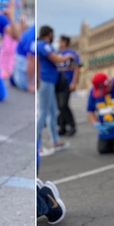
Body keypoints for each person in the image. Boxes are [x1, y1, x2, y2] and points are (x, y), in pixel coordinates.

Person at [36, 25, 72, 156]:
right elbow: (56, 59)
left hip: (49, 81)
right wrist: (67, 55)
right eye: (52, 34)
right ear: (49, 34)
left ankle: (55, 141)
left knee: (52, 111)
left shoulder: (43, 45)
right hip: (46, 81)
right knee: (43, 113)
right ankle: (37, 144)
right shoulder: (43, 45)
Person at [56, 35, 80, 136]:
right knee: (59, 106)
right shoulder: (56, 54)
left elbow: (76, 69)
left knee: (63, 105)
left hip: (66, 82)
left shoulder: (71, 54)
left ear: (64, 42)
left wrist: (73, 82)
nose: (58, 42)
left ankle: (72, 125)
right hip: (57, 83)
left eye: (60, 40)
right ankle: (62, 127)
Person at [11, 24, 36, 93]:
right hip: (24, 60)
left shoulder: (33, 28)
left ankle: (15, 77)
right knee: (24, 85)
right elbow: (31, 58)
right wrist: (30, 84)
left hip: (19, 59)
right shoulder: (34, 35)